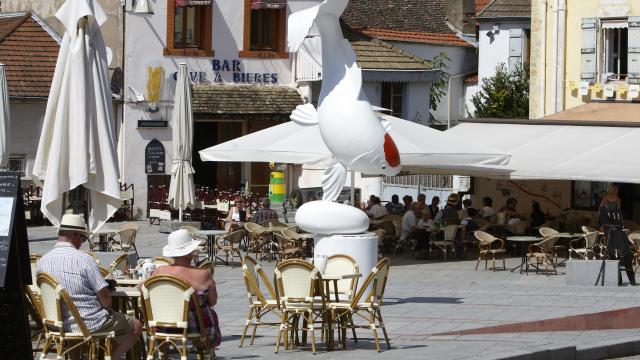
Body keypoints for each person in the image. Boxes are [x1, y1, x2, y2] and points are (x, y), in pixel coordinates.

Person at [36, 214, 143, 360]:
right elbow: (107, 302)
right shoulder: (84, 260)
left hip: (57, 323)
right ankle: (112, 357)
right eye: (83, 238)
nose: (83, 242)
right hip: (89, 323)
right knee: (136, 326)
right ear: (76, 236)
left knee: (80, 320)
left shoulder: (42, 262)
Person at [152, 229, 222, 345]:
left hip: (161, 324)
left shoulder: (159, 271)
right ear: (189, 252)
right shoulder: (202, 274)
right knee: (208, 310)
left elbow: (142, 287)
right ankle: (203, 346)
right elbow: (213, 301)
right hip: (192, 325)